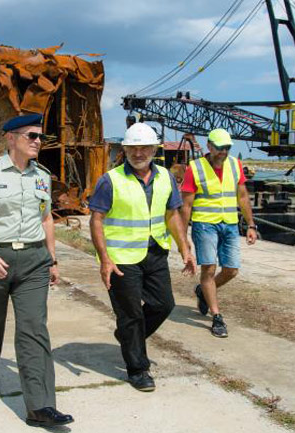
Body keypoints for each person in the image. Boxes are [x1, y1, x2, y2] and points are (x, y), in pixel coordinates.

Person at [0, 114, 73, 428]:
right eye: (31, 135)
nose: (38, 141)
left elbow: (46, 218)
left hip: (33, 260)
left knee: (34, 328)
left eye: (40, 137)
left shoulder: (43, 176)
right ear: (11, 138)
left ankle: (40, 406)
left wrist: (52, 258)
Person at [89, 123, 196, 392]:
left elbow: (172, 214)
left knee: (163, 305)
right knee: (131, 313)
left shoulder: (165, 177)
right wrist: (104, 259)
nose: (139, 152)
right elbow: (97, 220)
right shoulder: (110, 180)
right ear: (124, 150)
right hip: (121, 257)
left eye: (144, 147)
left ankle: (127, 337)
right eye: (133, 148)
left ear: (154, 149)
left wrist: (184, 248)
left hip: (155, 252)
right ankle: (138, 369)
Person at [180, 128, 257, 338]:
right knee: (209, 268)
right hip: (204, 224)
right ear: (209, 146)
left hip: (230, 224)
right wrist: (183, 237)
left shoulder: (235, 165)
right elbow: (186, 205)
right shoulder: (195, 168)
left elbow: (242, 196)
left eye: (227, 148)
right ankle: (217, 316)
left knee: (232, 270)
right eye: (219, 148)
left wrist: (251, 224)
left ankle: (202, 291)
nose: (223, 151)